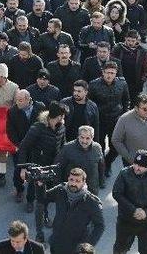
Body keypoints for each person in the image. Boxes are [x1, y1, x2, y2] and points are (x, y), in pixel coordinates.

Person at [18, 102, 67, 241]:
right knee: (38, 194)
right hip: (38, 167)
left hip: (53, 167)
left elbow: (63, 145)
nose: (63, 119)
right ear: (57, 116)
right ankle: (32, 204)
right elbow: (24, 147)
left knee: (47, 194)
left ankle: (44, 211)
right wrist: (23, 167)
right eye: (62, 116)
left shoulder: (61, 127)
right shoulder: (37, 128)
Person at [36, 167, 105, 253]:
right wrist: (40, 185)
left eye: (77, 181)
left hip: (75, 248)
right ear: (68, 179)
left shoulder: (92, 202)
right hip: (57, 242)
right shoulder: (60, 190)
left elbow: (100, 226)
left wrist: (88, 247)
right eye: (71, 180)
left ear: (84, 182)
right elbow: (42, 198)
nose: (73, 183)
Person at [112, 150, 147, 254]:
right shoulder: (124, 173)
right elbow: (117, 193)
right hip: (126, 220)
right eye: (135, 164)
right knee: (120, 249)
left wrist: (146, 212)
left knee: (146, 251)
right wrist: (134, 210)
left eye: (141, 166)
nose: (137, 167)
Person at [88, 61, 130, 176]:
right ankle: (101, 168)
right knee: (99, 147)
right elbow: (89, 104)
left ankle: (107, 163)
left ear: (116, 73)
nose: (109, 75)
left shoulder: (122, 84)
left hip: (116, 120)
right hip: (99, 121)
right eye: (107, 72)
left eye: (112, 73)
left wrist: (124, 116)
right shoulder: (93, 84)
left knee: (116, 147)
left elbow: (126, 100)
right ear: (103, 72)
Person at [6, 89, 44, 204]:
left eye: (21, 100)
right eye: (17, 100)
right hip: (20, 145)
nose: (18, 103)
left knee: (34, 171)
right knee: (18, 170)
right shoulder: (12, 112)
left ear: (28, 100)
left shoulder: (40, 107)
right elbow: (10, 131)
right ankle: (19, 189)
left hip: (36, 146)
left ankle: (31, 198)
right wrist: (19, 145)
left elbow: (44, 125)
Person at [56, 126, 105, 195]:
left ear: (92, 137)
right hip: (72, 189)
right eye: (82, 137)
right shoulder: (67, 148)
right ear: (78, 136)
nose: (84, 141)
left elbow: (101, 166)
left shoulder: (97, 148)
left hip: (91, 189)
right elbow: (58, 167)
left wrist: (102, 181)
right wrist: (59, 187)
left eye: (88, 138)